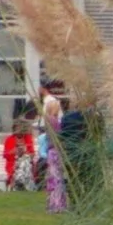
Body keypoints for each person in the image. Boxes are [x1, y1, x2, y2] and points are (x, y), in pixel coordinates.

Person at [39, 83, 70, 213]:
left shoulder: (50, 121)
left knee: (54, 177)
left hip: (52, 151)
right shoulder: (54, 121)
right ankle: (57, 204)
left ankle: (55, 203)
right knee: (57, 178)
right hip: (55, 151)